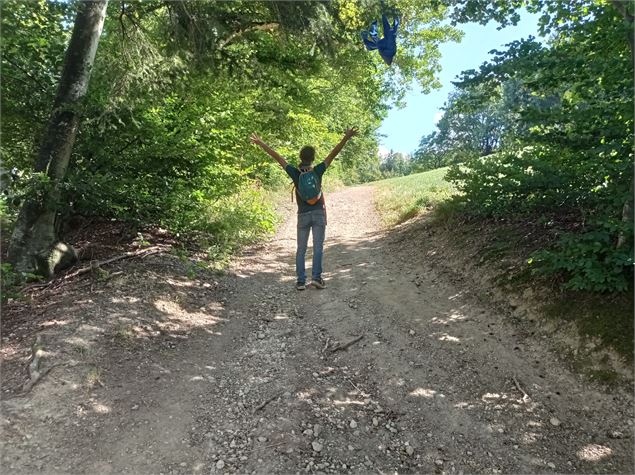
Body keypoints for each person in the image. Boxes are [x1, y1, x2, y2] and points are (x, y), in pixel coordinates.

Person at [250, 128, 359, 290]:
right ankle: (316, 278)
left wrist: (260, 143)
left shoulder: (294, 172)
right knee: (318, 247)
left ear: (300, 158)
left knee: (301, 249)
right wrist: (346, 137)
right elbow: (334, 153)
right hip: (318, 213)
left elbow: (277, 156)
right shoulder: (318, 170)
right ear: (313, 158)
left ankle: (300, 281)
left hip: (302, 215)